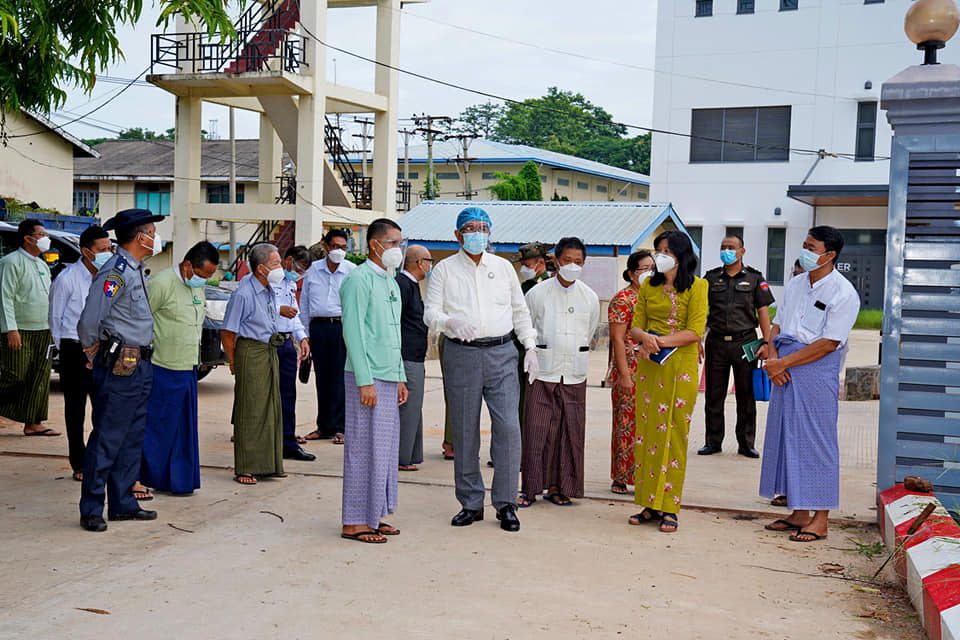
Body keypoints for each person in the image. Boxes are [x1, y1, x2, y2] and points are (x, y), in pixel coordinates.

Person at [424, 206, 539, 533]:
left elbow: (520, 311)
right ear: (458, 234)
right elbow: (430, 312)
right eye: (471, 228)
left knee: (508, 428)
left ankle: (506, 503)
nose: (478, 233)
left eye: (483, 228)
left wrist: (529, 345)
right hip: (462, 353)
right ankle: (471, 502)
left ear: (490, 233)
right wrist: (449, 321)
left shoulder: (503, 268)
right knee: (464, 430)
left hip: (502, 352)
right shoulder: (445, 270)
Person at [759, 226, 859, 543]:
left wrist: (783, 363)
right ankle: (799, 511)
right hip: (784, 366)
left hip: (815, 369)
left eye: (811, 247)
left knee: (818, 440)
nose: (804, 251)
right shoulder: (797, 284)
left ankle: (821, 519)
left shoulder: (843, 293)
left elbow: (829, 343)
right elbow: (778, 323)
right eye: (804, 245)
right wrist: (773, 358)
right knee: (787, 435)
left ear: (829, 255)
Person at [77, 208, 164, 532]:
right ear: (141, 236)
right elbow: (91, 317)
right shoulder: (115, 272)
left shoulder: (135, 269)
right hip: (119, 365)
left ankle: (124, 502)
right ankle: (92, 508)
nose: (155, 237)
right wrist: (90, 348)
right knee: (109, 436)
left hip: (139, 363)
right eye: (152, 231)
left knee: (131, 437)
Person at [627, 230, 708, 534]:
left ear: (681, 255)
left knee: (674, 433)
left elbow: (694, 331)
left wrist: (658, 341)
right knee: (648, 433)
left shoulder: (699, 287)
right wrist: (644, 338)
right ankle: (649, 503)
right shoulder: (649, 285)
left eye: (665, 251)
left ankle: (670, 506)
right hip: (650, 365)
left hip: (680, 367)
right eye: (657, 249)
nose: (659, 256)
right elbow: (636, 326)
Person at [338, 218, 409, 543]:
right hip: (365, 376)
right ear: (374, 245)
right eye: (392, 243)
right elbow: (353, 332)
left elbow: (394, 335)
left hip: (388, 375)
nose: (397, 249)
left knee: (384, 449)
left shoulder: (390, 282)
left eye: (400, 242)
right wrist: (365, 381)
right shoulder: (359, 280)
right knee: (362, 448)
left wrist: (400, 378)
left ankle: (375, 514)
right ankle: (354, 521)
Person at [519, 237, 599, 507]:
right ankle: (530, 488)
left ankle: (560, 487)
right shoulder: (537, 293)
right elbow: (525, 326)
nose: (573, 266)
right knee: (536, 429)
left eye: (578, 262)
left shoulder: (589, 297)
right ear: (556, 261)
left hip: (574, 372)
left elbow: (589, 332)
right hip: (542, 370)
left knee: (569, 432)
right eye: (567, 261)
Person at [139, 241, 219, 496]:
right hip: (162, 366)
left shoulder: (197, 287)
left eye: (207, 277)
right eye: (201, 274)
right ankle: (147, 477)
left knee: (183, 428)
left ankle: (179, 481)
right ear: (187, 265)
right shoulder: (161, 283)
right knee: (158, 428)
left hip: (188, 367)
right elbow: (141, 321)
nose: (203, 281)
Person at [698, 234, 774, 458]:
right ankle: (712, 441)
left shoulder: (754, 278)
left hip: (746, 342)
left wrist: (767, 342)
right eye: (723, 247)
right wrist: (697, 339)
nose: (726, 250)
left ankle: (746, 443)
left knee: (746, 395)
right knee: (713, 395)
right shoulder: (711, 278)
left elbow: (763, 313)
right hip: (716, 342)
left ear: (742, 251)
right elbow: (702, 311)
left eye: (731, 247)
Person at [48, 225, 113, 479]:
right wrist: (69, 352)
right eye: (102, 250)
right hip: (74, 347)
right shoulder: (67, 278)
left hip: (103, 347)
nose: (107, 253)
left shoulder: (109, 279)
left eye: (110, 248)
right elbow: (55, 318)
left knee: (104, 408)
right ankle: (79, 463)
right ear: (86, 252)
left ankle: (101, 459)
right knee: (75, 410)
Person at [221, 243, 286, 485]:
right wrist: (234, 362)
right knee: (251, 410)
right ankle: (246, 467)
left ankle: (268, 464)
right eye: (276, 263)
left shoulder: (269, 288)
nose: (281, 268)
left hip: (268, 350)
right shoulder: (244, 293)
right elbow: (228, 332)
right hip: (251, 351)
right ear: (261, 268)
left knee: (270, 409)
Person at [0, 219, 59, 437]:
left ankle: (33, 423)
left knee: (40, 376)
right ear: (28, 238)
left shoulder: (42, 263)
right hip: (20, 330)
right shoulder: (10, 262)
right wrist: (10, 329)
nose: (46, 239)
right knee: (15, 375)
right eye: (41, 234)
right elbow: (4, 297)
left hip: (44, 330)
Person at [300, 228, 355, 444]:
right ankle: (323, 426)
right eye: (335, 247)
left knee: (341, 378)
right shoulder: (312, 271)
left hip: (342, 327)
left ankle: (341, 427)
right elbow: (304, 303)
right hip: (319, 328)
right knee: (322, 378)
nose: (338, 251)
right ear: (325, 246)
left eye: (343, 247)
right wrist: (304, 334)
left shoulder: (352, 271)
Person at [608, 250, 655, 495]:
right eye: (643, 269)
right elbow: (617, 339)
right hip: (629, 367)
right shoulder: (623, 299)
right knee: (626, 423)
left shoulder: (656, 297)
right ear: (631, 274)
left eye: (652, 268)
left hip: (653, 368)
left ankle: (644, 474)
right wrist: (624, 375)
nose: (649, 273)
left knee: (649, 424)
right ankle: (620, 476)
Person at [274, 245, 314, 462]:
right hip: (269, 342)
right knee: (269, 397)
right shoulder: (268, 280)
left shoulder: (290, 283)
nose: (298, 274)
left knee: (288, 396)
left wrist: (302, 337)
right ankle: (270, 444)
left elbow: (294, 315)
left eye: (302, 272)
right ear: (287, 260)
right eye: (298, 268)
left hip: (287, 343)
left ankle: (288, 443)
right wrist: (279, 309)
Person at [396, 244, 433, 471]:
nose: (430, 266)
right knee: (408, 409)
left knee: (414, 407)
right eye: (429, 261)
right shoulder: (402, 285)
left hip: (415, 357)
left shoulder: (412, 285)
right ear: (420, 262)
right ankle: (401, 457)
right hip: (406, 357)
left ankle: (410, 455)